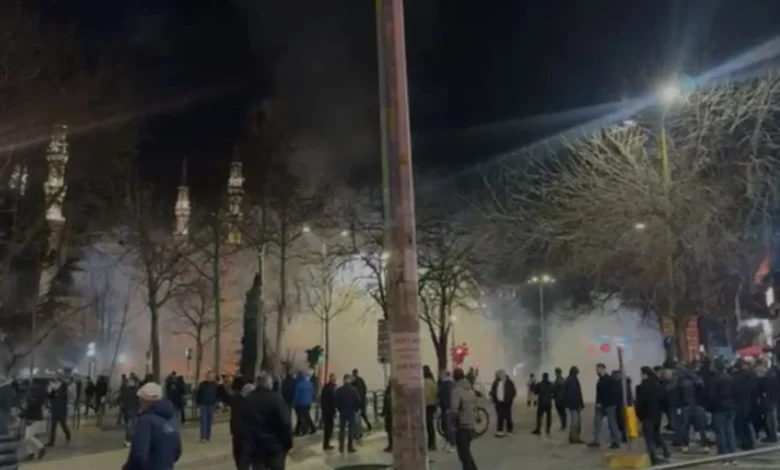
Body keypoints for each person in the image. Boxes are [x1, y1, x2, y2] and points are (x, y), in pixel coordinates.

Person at [122, 382, 181, 470]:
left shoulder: (146, 421)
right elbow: (177, 450)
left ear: (145, 400)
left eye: (140, 400)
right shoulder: (172, 418)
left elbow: (138, 453)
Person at [241, 373, 294, 470]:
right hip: (275, 446)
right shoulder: (277, 400)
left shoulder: (247, 400)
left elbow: (242, 425)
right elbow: (286, 423)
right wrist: (288, 443)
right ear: (269, 384)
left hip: (255, 447)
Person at [635, 366, 670, 466]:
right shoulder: (657, 384)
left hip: (647, 415)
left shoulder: (643, 386)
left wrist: (639, 416)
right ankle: (666, 451)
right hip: (657, 414)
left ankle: (653, 457)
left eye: (641, 374)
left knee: (649, 437)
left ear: (645, 374)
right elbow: (664, 399)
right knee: (656, 434)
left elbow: (640, 402)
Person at [450, 368, 478, 470]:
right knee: (466, 452)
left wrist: (451, 424)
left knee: (463, 454)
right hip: (471, 424)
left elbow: (454, 410)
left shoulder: (456, 390)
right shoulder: (470, 389)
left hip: (461, 425)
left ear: (454, 377)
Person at [588, 363, 621, 449]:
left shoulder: (609, 380)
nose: (597, 371)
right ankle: (596, 441)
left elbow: (610, 393)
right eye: (596, 369)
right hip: (601, 405)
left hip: (608, 405)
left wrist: (602, 402)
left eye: (598, 369)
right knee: (597, 423)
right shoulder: (601, 379)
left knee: (612, 423)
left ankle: (616, 441)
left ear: (603, 369)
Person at [709, 359, 737, 459]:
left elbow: (712, 395)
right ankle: (732, 451)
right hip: (731, 406)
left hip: (719, 407)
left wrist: (710, 407)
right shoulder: (730, 377)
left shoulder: (715, 379)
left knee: (720, 431)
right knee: (730, 430)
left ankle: (723, 452)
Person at [229, 382, 254, 470]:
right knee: (243, 459)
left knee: (239, 457)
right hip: (246, 434)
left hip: (237, 433)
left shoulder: (236, 400)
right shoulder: (250, 402)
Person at [335, 374, 361, 454]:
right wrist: (356, 409)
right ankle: (350, 447)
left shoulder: (339, 390)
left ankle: (341, 447)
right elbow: (358, 400)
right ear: (349, 380)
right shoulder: (354, 390)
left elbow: (336, 401)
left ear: (343, 380)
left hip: (343, 412)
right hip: (351, 411)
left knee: (342, 429)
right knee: (350, 429)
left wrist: (339, 409)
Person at [489, 369, 517, 437]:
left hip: (507, 402)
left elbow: (514, 392)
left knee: (508, 417)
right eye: (499, 375)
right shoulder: (496, 382)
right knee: (500, 417)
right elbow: (492, 390)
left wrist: (510, 399)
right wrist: (491, 396)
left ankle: (509, 430)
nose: (500, 376)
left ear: (504, 375)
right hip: (498, 402)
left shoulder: (509, 382)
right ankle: (500, 431)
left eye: (501, 374)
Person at [46, 376, 71, 447]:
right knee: (53, 426)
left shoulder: (63, 387)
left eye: (57, 380)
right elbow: (50, 397)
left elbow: (63, 396)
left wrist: (55, 390)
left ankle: (68, 434)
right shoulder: (53, 388)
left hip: (61, 410)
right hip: (55, 410)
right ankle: (51, 441)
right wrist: (50, 390)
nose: (56, 381)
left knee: (63, 425)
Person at [195, 371, 219, 442]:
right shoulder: (202, 384)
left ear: (213, 377)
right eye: (208, 376)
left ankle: (208, 436)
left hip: (211, 405)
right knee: (203, 421)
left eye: (211, 376)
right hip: (203, 405)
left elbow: (217, 396)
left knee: (209, 422)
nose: (209, 378)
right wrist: (197, 403)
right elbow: (198, 394)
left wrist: (217, 406)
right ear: (206, 377)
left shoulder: (215, 385)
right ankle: (203, 437)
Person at [563, 366, 585, 443]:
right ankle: (574, 438)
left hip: (573, 405)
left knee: (575, 422)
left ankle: (574, 438)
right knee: (575, 422)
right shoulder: (572, 380)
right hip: (574, 405)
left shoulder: (570, 379)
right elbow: (576, 394)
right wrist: (580, 404)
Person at [292, 371, 315, 436]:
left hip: (301, 404)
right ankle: (310, 429)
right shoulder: (310, 384)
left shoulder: (299, 385)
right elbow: (313, 393)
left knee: (302, 418)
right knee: (306, 416)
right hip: (308, 403)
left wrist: (294, 403)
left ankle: (304, 431)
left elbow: (297, 396)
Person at [532, 372, 554, 438]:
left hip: (541, 403)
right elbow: (553, 393)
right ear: (548, 377)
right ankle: (548, 430)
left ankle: (538, 429)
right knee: (549, 417)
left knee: (539, 417)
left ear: (543, 377)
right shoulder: (551, 384)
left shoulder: (539, 384)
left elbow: (535, 392)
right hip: (548, 403)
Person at [438, 370, 455, 451]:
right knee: (445, 427)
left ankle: (452, 444)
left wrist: (448, 407)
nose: (440, 376)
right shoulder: (445, 383)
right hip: (444, 408)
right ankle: (447, 442)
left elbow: (449, 397)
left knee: (448, 427)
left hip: (447, 408)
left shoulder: (448, 384)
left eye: (441, 374)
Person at [320, 373, 338, 451]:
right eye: (334, 378)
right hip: (330, 411)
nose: (335, 379)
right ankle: (326, 444)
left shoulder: (325, 387)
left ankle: (326, 444)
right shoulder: (333, 388)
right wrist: (335, 410)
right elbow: (334, 400)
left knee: (327, 428)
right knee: (329, 428)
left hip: (325, 410)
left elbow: (322, 398)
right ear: (331, 379)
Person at [423, 365, 438, 450]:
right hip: (432, 405)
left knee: (428, 425)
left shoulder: (426, 382)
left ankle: (431, 444)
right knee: (430, 425)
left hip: (427, 405)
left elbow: (425, 395)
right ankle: (432, 443)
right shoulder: (432, 381)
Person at [383, 378, 393, 453]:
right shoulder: (393, 390)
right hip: (391, 413)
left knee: (390, 431)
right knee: (390, 430)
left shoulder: (388, 391)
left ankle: (391, 445)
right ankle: (391, 445)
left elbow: (386, 403)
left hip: (389, 414)